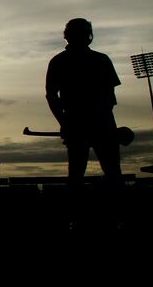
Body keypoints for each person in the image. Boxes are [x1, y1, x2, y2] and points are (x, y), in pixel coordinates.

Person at [45, 18, 122, 186]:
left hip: (85, 121)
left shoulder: (60, 61)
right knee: (105, 172)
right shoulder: (100, 59)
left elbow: (51, 97)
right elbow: (110, 97)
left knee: (80, 174)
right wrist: (65, 122)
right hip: (94, 121)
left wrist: (64, 122)